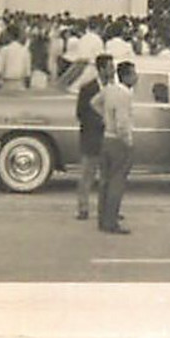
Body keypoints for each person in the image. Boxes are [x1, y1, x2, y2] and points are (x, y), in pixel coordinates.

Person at [92, 60, 137, 234]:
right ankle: (111, 221)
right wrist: (128, 140)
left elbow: (94, 103)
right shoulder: (125, 95)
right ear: (127, 76)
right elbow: (123, 122)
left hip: (106, 138)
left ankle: (102, 218)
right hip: (119, 140)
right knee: (117, 182)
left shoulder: (109, 89)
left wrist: (105, 117)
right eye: (133, 74)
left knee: (105, 181)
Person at [73, 54, 110, 220]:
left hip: (108, 136)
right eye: (110, 67)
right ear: (101, 69)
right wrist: (101, 121)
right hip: (92, 136)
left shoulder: (113, 87)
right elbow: (81, 113)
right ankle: (83, 208)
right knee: (87, 174)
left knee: (107, 175)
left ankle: (107, 208)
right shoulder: (87, 88)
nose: (113, 70)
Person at [0, 25, 32, 91]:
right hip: (20, 84)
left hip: (7, 83)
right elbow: (27, 72)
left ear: (8, 35)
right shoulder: (25, 50)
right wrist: (27, 86)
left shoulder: (4, 50)